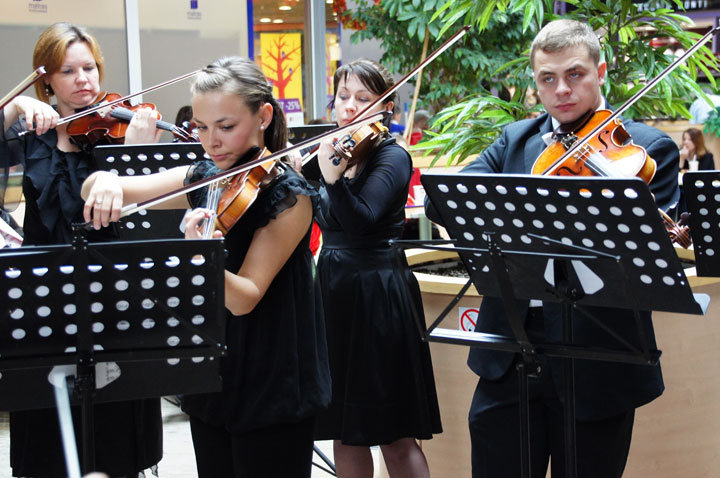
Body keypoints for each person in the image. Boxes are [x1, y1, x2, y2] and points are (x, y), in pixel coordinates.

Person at [426, 19, 678, 478]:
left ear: (601, 72)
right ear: (536, 84)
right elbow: (448, 200)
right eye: (548, 79)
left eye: (575, 74)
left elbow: (643, 254)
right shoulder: (515, 143)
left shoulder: (645, 150)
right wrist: (526, 207)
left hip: (598, 357)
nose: (561, 90)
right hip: (512, 354)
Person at [81, 56, 331, 478]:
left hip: (273, 378)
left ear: (263, 116)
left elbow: (246, 298)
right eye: (200, 126)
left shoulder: (290, 195)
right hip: (215, 371)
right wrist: (104, 181)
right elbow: (117, 189)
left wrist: (202, 257)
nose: (211, 141)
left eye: (225, 126)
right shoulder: (207, 175)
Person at [0, 22, 162, 478]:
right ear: (46, 79)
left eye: (89, 67)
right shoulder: (30, 136)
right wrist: (15, 106)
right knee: (48, 437)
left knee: (114, 438)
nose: (83, 80)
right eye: (67, 71)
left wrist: (134, 157)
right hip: (44, 298)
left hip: (114, 295)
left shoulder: (120, 128)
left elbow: (145, 222)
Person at [312, 58, 442, 477]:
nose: (350, 107)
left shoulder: (392, 156)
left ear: (385, 108)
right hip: (334, 287)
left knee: (394, 432)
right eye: (343, 96)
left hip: (377, 289)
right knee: (344, 429)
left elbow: (362, 218)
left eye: (363, 99)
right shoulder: (331, 152)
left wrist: (332, 180)